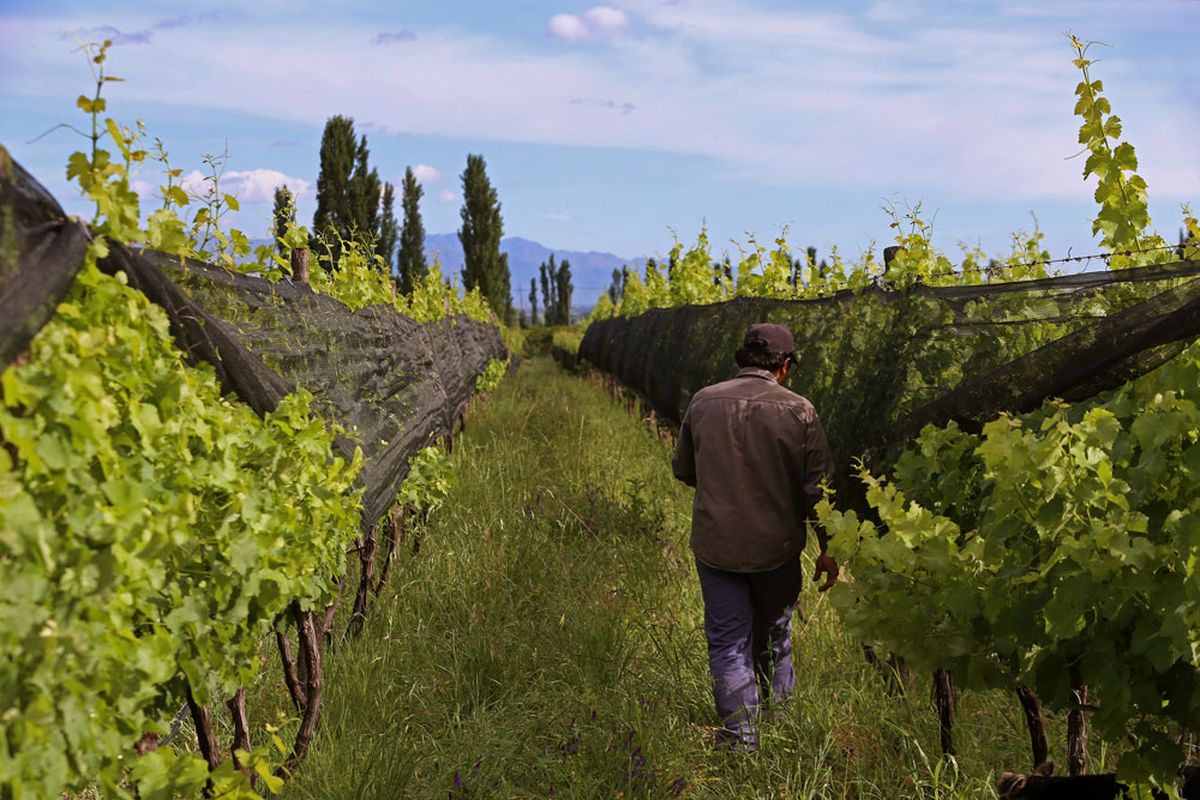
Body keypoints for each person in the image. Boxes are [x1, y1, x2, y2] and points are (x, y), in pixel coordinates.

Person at [671, 321, 837, 751]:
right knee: (775, 636)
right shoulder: (801, 410)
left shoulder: (703, 401)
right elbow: (818, 491)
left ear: (742, 359)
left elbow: (684, 470)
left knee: (728, 643)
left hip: (716, 545)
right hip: (777, 549)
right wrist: (827, 550)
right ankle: (781, 729)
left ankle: (740, 740)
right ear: (784, 365)